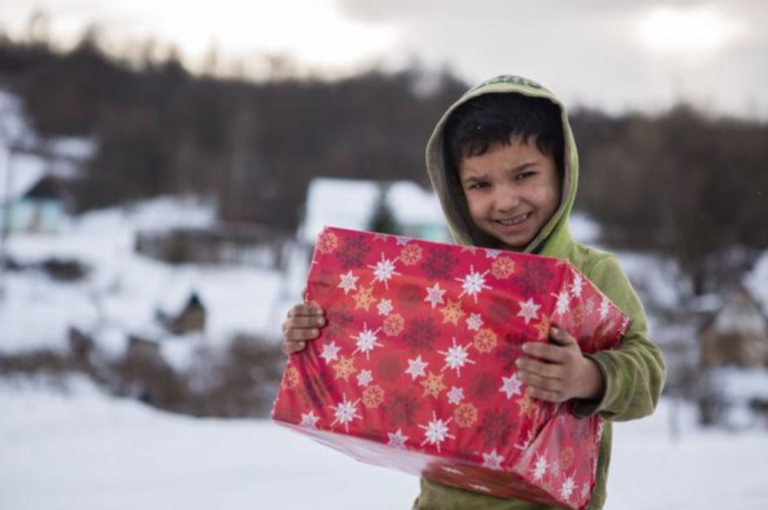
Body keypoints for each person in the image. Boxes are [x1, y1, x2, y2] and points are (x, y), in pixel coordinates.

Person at [281, 75, 666, 510]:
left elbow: (648, 375)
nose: (504, 201)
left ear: (563, 171)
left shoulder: (594, 273)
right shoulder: (439, 279)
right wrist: (318, 334)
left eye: (524, 176)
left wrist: (588, 377)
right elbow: (386, 347)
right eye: (480, 185)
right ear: (456, 191)